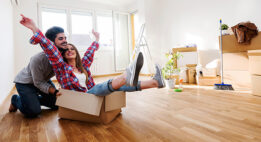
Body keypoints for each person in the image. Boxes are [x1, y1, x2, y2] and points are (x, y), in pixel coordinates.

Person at [20, 14, 165, 97]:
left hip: (91, 94)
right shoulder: (60, 67)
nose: (69, 49)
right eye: (66, 50)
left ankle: (155, 82)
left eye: (72, 48)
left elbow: (89, 53)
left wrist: (96, 39)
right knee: (106, 85)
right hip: (80, 98)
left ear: (76, 53)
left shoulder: (83, 67)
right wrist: (34, 28)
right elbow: (50, 48)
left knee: (119, 87)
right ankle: (127, 74)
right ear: (62, 56)